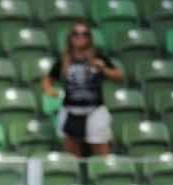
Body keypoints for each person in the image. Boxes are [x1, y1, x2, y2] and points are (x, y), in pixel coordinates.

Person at [42, 21, 123, 157]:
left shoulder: (98, 57)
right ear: (70, 38)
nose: (80, 37)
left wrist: (103, 68)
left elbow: (119, 76)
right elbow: (48, 79)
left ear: (89, 38)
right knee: (72, 156)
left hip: (94, 110)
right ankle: (77, 177)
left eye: (84, 34)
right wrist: (50, 90)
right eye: (76, 34)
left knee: (102, 154)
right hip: (71, 110)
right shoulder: (64, 59)